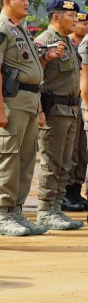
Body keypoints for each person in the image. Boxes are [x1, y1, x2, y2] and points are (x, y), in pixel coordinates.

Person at [0, 0, 58, 236]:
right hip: (10, 102)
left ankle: (16, 211)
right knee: (7, 158)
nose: (27, 3)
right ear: (7, 2)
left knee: (24, 160)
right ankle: (3, 216)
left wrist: (39, 109)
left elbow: (32, 72)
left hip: (28, 101)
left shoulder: (20, 29)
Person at [32, 0, 84, 230]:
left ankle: (56, 207)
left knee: (65, 163)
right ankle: (45, 210)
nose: (75, 19)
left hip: (70, 110)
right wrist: (39, 111)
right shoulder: (44, 42)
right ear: (56, 17)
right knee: (51, 163)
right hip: (53, 110)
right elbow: (35, 78)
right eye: (71, 15)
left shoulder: (68, 42)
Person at [69, 11, 88, 212]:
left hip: (80, 102)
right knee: (71, 150)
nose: (86, 27)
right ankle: (68, 192)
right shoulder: (68, 45)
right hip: (74, 103)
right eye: (84, 23)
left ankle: (76, 189)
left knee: (82, 150)